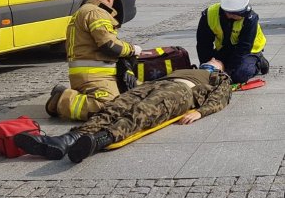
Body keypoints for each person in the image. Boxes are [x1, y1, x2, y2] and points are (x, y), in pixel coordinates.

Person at [14, 61, 232, 163]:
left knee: (143, 112)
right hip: (154, 84)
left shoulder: (217, 77)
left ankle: (99, 139)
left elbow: (221, 96)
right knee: (115, 107)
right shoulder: (189, 66)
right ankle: (66, 140)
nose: (210, 61)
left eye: (215, 61)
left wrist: (200, 112)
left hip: (182, 90)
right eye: (210, 60)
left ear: (219, 67)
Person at [45, 0, 142, 121]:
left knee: (128, 99)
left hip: (89, 73)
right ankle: (62, 99)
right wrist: (133, 49)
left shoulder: (83, 11)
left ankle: (73, 97)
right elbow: (109, 46)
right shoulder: (96, 12)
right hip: (95, 75)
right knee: (109, 107)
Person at [196, 0, 269, 83]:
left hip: (250, 50)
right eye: (241, 14)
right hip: (226, 47)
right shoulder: (209, 15)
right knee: (209, 71)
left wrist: (229, 71)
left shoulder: (250, 18)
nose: (244, 16)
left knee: (239, 75)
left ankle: (259, 62)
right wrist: (206, 64)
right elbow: (203, 43)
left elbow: (244, 47)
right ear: (228, 13)